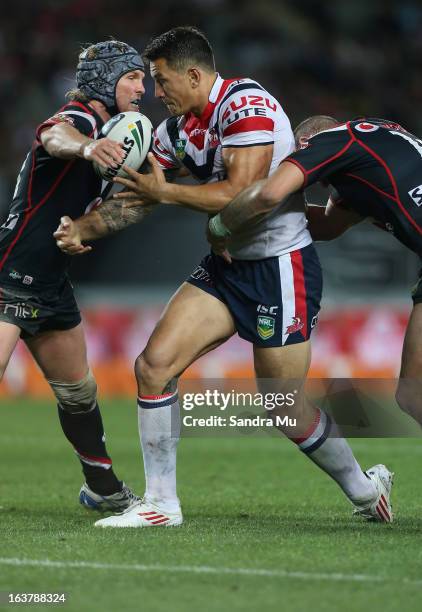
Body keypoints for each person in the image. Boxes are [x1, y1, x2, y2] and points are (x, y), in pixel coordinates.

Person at [55, 29, 392, 528]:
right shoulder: (177, 129)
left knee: (281, 405)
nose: (156, 92)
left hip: (280, 268)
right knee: (153, 365)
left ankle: (367, 493)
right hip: (227, 267)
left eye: (162, 79)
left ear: (193, 75)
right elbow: (141, 195)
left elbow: (244, 191)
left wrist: (166, 192)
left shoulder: (247, 104)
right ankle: (161, 505)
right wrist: (82, 228)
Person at [0, 40, 147, 512]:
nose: (143, 87)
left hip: (50, 284)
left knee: (79, 393)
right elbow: (53, 137)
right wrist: (87, 147)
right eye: (132, 77)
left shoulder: (121, 133)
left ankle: (102, 489)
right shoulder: (83, 120)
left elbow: (122, 203)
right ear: (106, 79)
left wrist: (82, 230)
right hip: (9, 275)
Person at [209, 114, 422, 430]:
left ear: (305, 146)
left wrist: (222, 223)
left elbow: (270, 194)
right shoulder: (373, 146)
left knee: (413, 393)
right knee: (411, 393)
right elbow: (329, 224)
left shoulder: (332, 140)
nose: (320, 183)